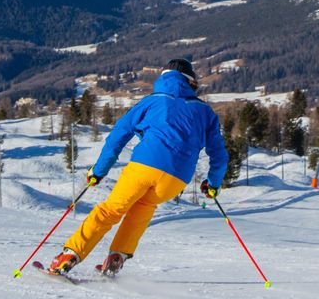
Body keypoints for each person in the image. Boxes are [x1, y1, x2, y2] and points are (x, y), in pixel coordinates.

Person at [48, 59, 228, 276]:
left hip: (144, 166)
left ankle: (70, 255)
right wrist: (213, 183)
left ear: (164, 77)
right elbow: (218, 153)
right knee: (143, 207)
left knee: (111, 210)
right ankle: (118, 256)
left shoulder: (151, 102)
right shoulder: (205, 111)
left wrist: (99, 171)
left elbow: (117, 137)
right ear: (191, 82)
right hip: (177, 179)